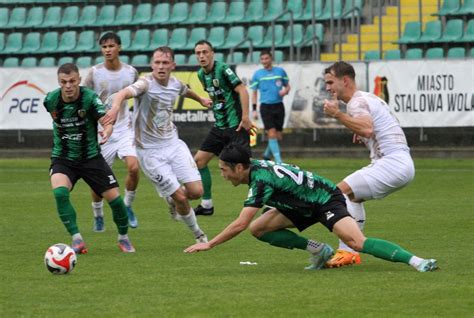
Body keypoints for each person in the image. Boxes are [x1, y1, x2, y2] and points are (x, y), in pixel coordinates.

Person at [184, 143, 437, 273]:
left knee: (357, 243)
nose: (223, 175)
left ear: (239, 167)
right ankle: (320, 250)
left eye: (224, 170)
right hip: (300, 204)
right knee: (259, 228)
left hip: (325, 199)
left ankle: (417, 261)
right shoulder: (256, 166)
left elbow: (238, 223)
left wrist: (210, 243)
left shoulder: (260, 180)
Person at [103, 46, 211, 243]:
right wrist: (116, 106)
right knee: (181, 197)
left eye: (165, 63)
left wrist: (201, 99)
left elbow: (184, 90)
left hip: (173, 144)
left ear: (172, 65)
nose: (161, 67)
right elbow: (122, 93)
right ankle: (199, 235)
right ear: (152, 65)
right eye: (157, 63)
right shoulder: (145, 84)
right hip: (150, 153)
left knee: (196, 192)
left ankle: (172, 198)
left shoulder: (175, 84)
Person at [322, 61, 415, 268]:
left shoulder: (356, 102)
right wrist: (360, 129)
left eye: (330, 82)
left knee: (336, 194)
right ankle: (349, 252)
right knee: (353, 197)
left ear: (345, 80)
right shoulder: (368, 98)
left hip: (391, 162)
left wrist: (338, 115)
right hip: (401, 163)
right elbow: (378, 125)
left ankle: (347, 251)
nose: (328, 88)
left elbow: (366, 129)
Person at [43, 63, 135, 254]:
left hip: (91, 157)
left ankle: (123, 238)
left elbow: (105, 120)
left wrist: (107, 131)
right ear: (59, 82)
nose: (68, 86)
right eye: (63, 82)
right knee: (60, 193)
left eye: (72, 81)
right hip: (64, 157)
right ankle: (77, 239)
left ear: (78, 80)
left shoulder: (90, 98)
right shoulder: (51, 100)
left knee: (116, 202)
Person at [83, 32, 140, 232]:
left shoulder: (131, 72)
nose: (107, 50)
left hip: (124, 128)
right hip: (101, 131)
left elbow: (139, 93)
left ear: (119, 47)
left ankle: (127, 206)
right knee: (97, 179)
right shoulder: (94, 73)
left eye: (111, 46)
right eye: (104, 47)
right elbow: (84, 97)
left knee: (133, 167)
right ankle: (98, 214)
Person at [193, 39, 254, 216]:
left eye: (205, 52)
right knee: (198, 161)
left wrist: (245, 117)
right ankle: (206, 205)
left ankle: (270, 201)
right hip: (219, 127)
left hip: (236, 126)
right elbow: (219, 96)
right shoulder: (200, 75)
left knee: (247, 169)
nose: (202, 56)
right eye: (198, 53)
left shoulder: (223, 69)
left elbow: (242, 90)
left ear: (212, 54)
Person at [250, 50, 290, 164]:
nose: (264, 61)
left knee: (277, 136)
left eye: (266, 58)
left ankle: (267, 155)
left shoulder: (280, 71)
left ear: (271, 59)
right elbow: (254, 93)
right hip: (265, 107)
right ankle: (279, 161)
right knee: (271, 133)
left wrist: (285, 91)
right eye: (262, 59)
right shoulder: (258, 74)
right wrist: (254, 109)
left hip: (279, 106)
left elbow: (288, 86)